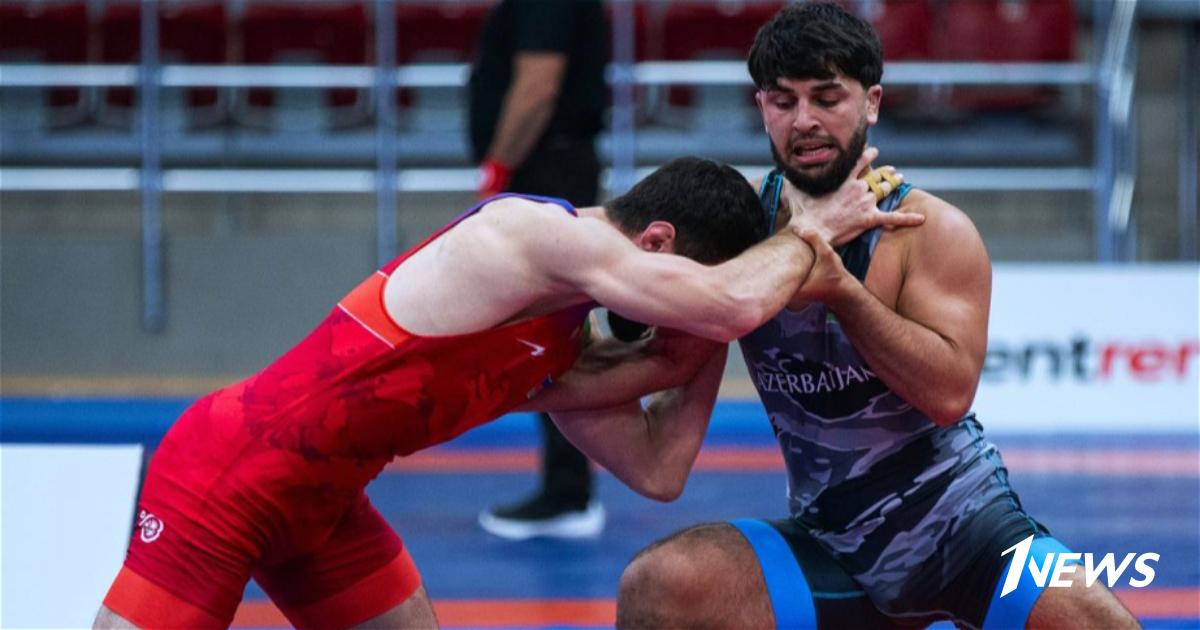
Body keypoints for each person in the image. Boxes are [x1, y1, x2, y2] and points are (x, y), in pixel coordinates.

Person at [93, 156, 917, 630]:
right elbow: (729, 305)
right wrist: (810, 235)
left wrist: (716, 323)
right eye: (679, 288)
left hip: (325, 509)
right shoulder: (529, 237)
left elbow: (659, 465)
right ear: (657, 241)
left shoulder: (563, 344)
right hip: (225, 478)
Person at [613, 4, 1141, 630]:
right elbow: (654, 381)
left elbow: (949, 394)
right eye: (783, 101)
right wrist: (545, 376)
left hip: (968, 531)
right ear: (761, 108)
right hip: (830, 543)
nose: (804, 121)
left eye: (826, 98)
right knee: (658, 588)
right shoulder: (738, 228)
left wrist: (843, 293)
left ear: (872, 103)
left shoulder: (930, 230)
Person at [466, 0, 610, 539]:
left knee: (553, 326)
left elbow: (537, 87)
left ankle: (568, 490)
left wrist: (497, 166)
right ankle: (566, 485)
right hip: (552, 167)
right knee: (549, 325)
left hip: (547, 171)